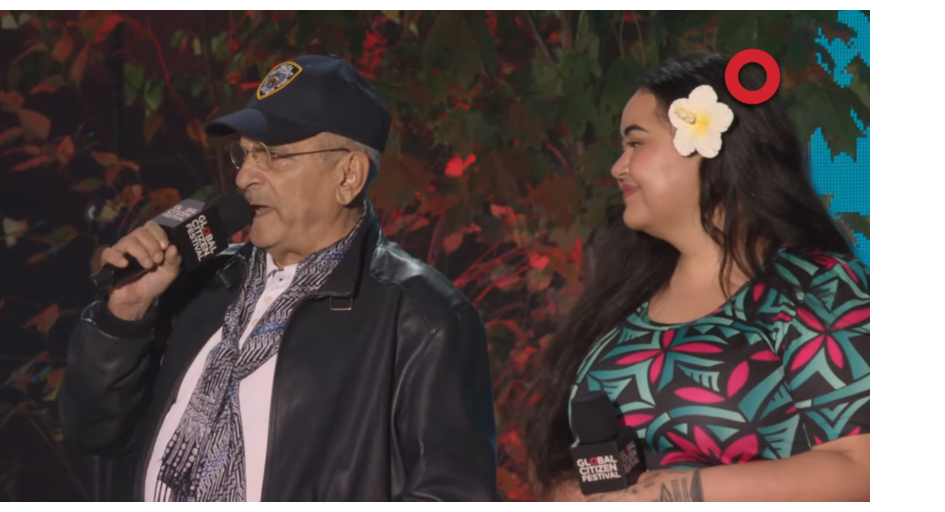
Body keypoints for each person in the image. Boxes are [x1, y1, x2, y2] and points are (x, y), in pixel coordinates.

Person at [59, 55, 498, 502]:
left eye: (273, 156)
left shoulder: (422, 320)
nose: (245, 177)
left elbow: (452, 496)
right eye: (245, 154)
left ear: (348, 176)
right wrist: (124, 317)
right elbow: (93, 433)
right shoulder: (200, 284)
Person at [524, 53, 870, 502]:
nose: (618, 167)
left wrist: (678, 492)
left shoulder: (818, 287)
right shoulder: (623, 299)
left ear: (707, 146)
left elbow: (865, 466)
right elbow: (562, 455)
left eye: (636, 143)